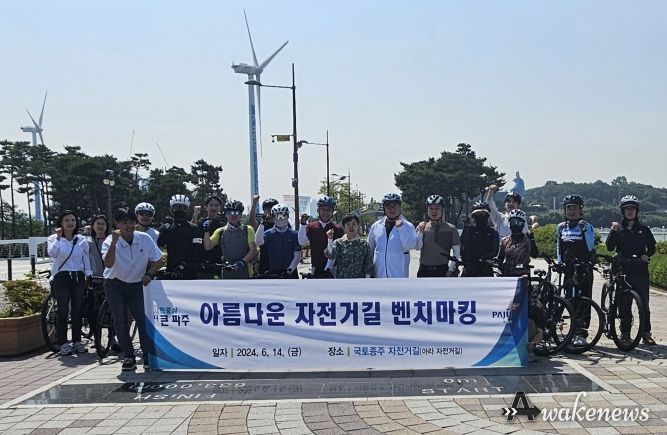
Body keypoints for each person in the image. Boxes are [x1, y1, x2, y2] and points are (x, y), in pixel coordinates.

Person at [102, 208, 163, 371]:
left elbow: (158, 258)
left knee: (143, 320)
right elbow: (108, 263)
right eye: (124, 223)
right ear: (117, 224)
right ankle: (128, 356)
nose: (128, 226)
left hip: (137, 284)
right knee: (120, 320)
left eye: (131, 222)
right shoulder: (109, 240)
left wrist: (149, 273)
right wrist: (114, 242)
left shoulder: (144, 238)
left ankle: (147, 355)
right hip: (115, 284)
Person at [605, 195, 657, 345]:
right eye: (627, 208)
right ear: (623, 211)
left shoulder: (644, 230)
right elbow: (610, 247)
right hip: (623, 269)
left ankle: (646, 333)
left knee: (644, 303)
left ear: (636, 211)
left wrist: (646, 255)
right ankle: (625, 332)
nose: (630, 211)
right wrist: (613, 231)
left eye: (632, 208)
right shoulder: (618, 229)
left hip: (640, 269)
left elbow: (652, 248)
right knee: (624, 303)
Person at [48, 210, 92, 356]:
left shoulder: (81, 239)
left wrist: (88, 274)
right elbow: (53, 254)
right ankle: (63, 343)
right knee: (63, 311)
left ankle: (77, 341)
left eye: (72, 220)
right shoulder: (53, 238)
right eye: (66, 220)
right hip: (62, 277)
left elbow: (85, 258)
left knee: (77, 310)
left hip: (78, 276)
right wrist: (58, 237)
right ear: (61, 223)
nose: (70, 223)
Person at [556, 194, 596, 347]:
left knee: (584, 298)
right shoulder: (561, 227)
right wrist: (559, 262)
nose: (571, 211)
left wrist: (586, 262)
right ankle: (572, 331)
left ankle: (581, 332)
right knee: (569, 299)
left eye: (574, 208)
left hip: (583, 267)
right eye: (568, 208)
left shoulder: (586, 226)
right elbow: (559, 246)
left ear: (581, 210)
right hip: (568, 268)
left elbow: (590, 247)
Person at [203, 200, 257, 279]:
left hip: (245, 269)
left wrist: (243, 261)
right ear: (226, 214)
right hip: (226, 270)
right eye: (230, 212)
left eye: (237, 213)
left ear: (241, 215)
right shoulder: (220, 231)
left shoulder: (247, 229)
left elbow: (253, 250)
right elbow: (208, 246)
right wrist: (206, 231)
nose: (234, 215)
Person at [367, 193, 417, 278]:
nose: (392, 209)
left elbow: (410, 245)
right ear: (384, 209)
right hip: (379, 276)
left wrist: (401, 229)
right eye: (388, 206)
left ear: (400, 208)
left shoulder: (408, 226)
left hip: (399, 276)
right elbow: (370, 249)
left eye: (395, 206)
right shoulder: (376, 226)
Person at [157, 194, 203, 279]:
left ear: (187, 210)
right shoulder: (167, 227)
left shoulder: (194, 228)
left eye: (183, 208)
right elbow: (160, 243)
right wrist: (166, 228)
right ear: (171, 209)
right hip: (171, 271)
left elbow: (197, 251)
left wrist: (182, 265)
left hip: (189, 271)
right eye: (177, 207)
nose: (180, 210)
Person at [415, 195, 461, 277]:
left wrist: (450, 270)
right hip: (423, 270)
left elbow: (456, 252)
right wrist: (420, 231)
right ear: (427, 210)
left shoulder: (451, 228)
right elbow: (417, 247)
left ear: (442, 210)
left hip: (442, 270)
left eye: (437, 208)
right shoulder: (422, 226)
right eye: (431, 208)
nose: (434, 211)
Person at [298, 195, 344, 277]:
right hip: (315, 267)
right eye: (323, 209)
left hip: (333, 268)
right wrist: (303, 225)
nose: (326, 212)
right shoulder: (311, 226)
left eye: (329, 210)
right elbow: (302, 242)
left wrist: (328, 268)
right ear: (318, 210)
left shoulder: (338, 229)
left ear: (333, 212)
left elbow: (337, 252)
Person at [255, 204, 301, 278]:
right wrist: (262, 224)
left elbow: (297, 256)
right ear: (272, 217)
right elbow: (258, 241)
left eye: (283, 215)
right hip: (274, 272)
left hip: (291, 272)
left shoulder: (294, 234)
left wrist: (289, 270)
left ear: (288, 216)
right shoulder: (268, 233)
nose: (280, 218)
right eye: (276, 216)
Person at [324, 214, 374, 278]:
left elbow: (368, 264)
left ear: (358, 226)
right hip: (343, 280)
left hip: (360, 280)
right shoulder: (338, 243)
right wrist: (330, 239)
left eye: (354, 224)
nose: (351, 227)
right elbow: (331, 255)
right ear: (344, 228)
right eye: (348, 224)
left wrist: (367, 279)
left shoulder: (364, 244)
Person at [460, 201, 500, 277]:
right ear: (473, 216)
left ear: (488, 216)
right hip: (469, 270)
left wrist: (481, 259)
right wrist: (466, 227)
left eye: (483, 214)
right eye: (478, 214)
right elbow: (462, 246)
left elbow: (495, 251)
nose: (481, 216)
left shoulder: (493, 233)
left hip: (486, 270)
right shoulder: (469, 231)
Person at [496, 209, 538, 277]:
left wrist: (532, 241)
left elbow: (535, 255)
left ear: (523, 224)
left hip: (523, 275)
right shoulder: (504, 240)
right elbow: (500, 258)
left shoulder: (528, 240)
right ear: (509, 224)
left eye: (519, 223)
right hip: (507, 275)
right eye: (513, 222)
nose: (515, 225)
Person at [193, 195, 225, 278]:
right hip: (202, 262)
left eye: (216, 205)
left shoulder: (223, 226)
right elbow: (191, 230)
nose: (213, 208)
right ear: (206, 207)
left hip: (218, 262)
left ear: (220, 208)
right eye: (211, 205)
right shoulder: (200, 222)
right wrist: (195, 214)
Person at [251, 197, 280, 275]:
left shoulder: (281, 223)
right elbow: (252, 222)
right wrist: (254, 204)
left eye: (272, 208)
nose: (270, 210)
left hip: (280, 260)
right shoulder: (262, 224)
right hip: (265, 260)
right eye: (267, 208)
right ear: (264, 210)